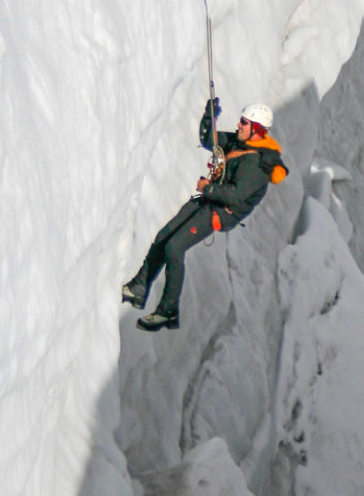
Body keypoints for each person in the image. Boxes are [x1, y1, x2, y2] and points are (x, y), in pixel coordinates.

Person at [122, 99, 288, 331]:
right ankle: (139, 287)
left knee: (174, 248)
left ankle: (168, 311)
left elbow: (235, 196)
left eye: (244, 122)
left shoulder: (258, 164)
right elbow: (210, 140)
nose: (239, 126)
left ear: (257, 129)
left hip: (221, 210)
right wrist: (209, 116)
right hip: (211, 200)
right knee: (164, 235)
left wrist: (206, 188)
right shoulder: (241, 143)